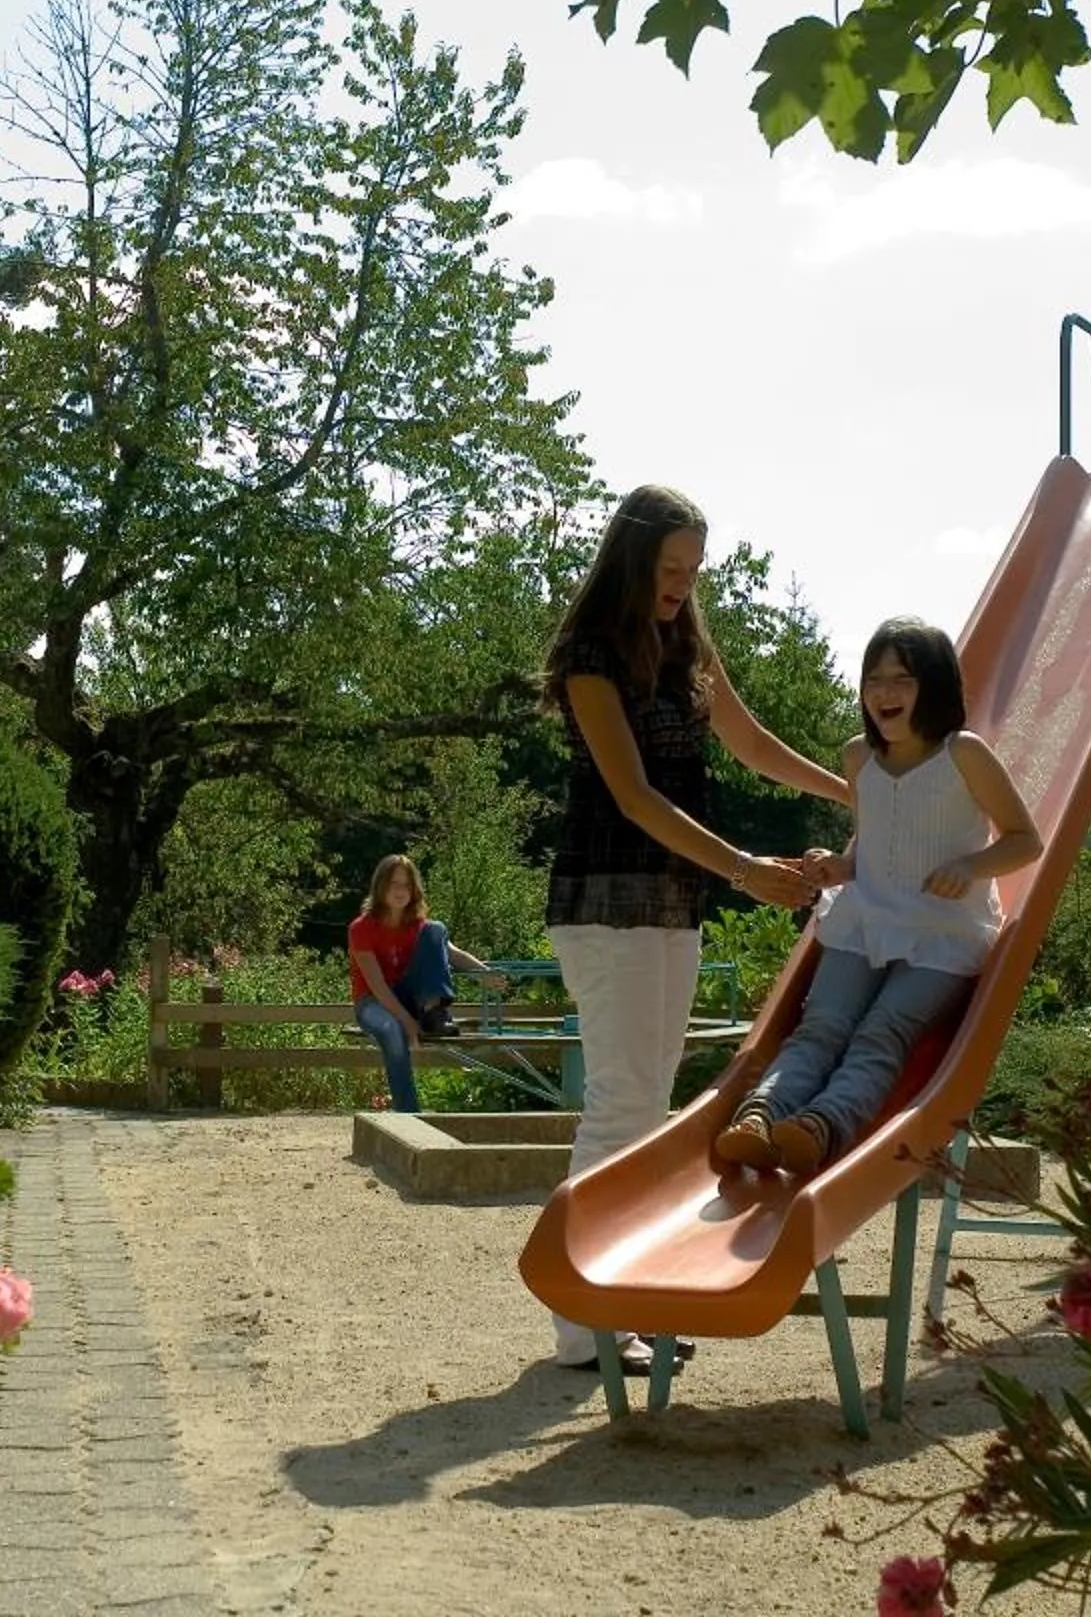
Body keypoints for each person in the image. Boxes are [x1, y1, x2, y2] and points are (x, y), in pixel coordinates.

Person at [539, 484, 851, 1373]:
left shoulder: (686, 644)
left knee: (643, 1106)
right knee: (624, 1103)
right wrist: (747, 872)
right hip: (608, 902)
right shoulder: (591, 653)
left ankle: (611, 1304)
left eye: (694, 570)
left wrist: (851, 790)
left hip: (672, 902)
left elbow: (749, 743)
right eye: (672, 568)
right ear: (635, 563)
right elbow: (634, 797)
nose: (683, 584)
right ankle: (585, 1321)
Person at [716, 617, 1042, 1178]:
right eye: (874, 679)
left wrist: (970, 865)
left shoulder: (963, 754)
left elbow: (1025, 840)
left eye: (902, 680)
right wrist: (836, 866)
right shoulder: (858, 757)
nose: (884, 693)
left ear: (933, 686)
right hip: (866, 918)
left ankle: (823, 1124)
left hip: (943, 932)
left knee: (881, 1031)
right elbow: (876, 848)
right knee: (820, 1027)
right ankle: (760, 1116)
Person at [348, 854, 512, 1114]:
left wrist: (484, 974)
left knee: (436, 929)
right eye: (393, 884)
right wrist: (406, 1021)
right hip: (374, 1002)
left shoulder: (420, 926)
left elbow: (452, 954)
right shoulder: (361, 928)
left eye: (406, 885)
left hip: (411, 998)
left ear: (415, 890)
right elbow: (377, 987)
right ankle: (408, 1114)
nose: (400, 891)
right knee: (392, 1031)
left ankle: (434, 1011)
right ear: (380, 887)